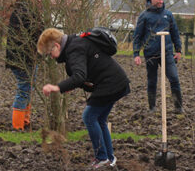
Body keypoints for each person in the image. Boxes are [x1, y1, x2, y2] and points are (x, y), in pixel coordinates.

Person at [39, 28, 130, 169]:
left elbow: (79, 76)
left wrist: (57, 87)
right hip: (116, 82)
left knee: (89, 116)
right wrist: (70, 85)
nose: (51, 57)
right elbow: (84, 75)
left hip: (110, 84)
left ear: (57, 46)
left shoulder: (74, 48)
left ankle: (103, 159)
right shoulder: (75, 44)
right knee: (99, 119)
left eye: (49, 53)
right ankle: (109, 159)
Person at [133, 0, 184, 113]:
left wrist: (178, 50)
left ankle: (178, 107)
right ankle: (152, 107)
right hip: (151, 53)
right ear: (152, 0)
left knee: (174, 78)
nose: (161, 1)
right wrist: (136, 53)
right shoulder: (144, 16)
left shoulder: (168, 15)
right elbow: (138, 35)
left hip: (167, 53)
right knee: (152, 80)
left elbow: (175, 33)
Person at [6, 0, 43, 130]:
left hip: (29, 58)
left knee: (28, 88)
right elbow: (34, 34)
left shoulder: (28, 12)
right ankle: (17, 126)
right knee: (24, 89)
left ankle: (25, 121)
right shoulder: (23, 13)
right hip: (22, 59)